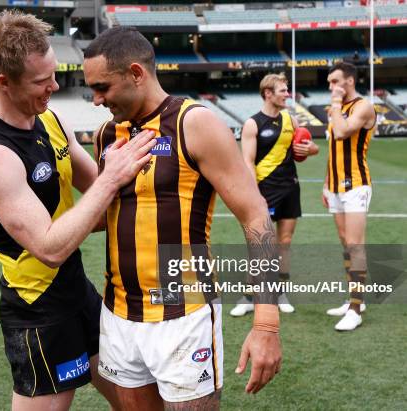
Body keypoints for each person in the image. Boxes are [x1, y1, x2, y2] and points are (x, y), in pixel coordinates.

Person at [0, 11, 157, 410]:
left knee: (140, 402)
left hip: (79, 292)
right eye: (40, 81)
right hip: (38, 310)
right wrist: (109, 181)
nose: (54, 86)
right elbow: (50, 247)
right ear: (2, 82)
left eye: (54, 74)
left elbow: (102, 194)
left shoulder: (50, 119)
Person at [83, 27, 282, 410]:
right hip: (119, 316)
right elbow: (104, 215)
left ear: (137, 74)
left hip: (182, 317)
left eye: (103, 87)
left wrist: (266, 323)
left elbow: (255, 215)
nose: (95, 99)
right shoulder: (107, 134)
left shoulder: (195, 123)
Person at [233, 73, 319, 317]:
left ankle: (280, 293)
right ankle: (250, 296)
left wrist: (310, 149)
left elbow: (308, 148)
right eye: (282, 90)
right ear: (268, 93)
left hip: (290, 187)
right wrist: (255, 193)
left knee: (285, 243)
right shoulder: (252, 124)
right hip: (264, 191)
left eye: (287, 90)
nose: (287, 94)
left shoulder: (291, 120)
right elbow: (247, 161)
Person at [322, 62, 376, 331]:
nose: (331, 87)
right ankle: (355, 299)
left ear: (349, 82)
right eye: (330, 83)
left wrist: (334, 102)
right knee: (345, 242)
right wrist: (325, 184)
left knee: (355, 244)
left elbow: (343, 132)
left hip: (356, 184)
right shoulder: (337, 109)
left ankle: (355, 309)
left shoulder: (362, 106)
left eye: (335, 81)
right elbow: (333, 148)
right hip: (335, 186)